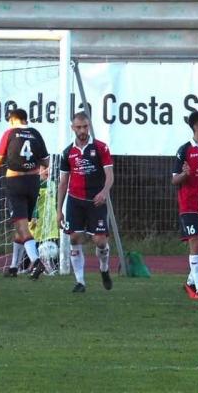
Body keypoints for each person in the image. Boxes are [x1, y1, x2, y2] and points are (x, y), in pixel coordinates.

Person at [57, 112, 114, 293]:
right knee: (74, 237)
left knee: (99, 241)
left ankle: (104, 268)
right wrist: (59, 210)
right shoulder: (67, 152)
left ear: (89, 126)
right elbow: (63, 182)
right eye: (79, 127)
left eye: (85, 127)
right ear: (73, 128)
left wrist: (104, 192)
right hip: (75, 201)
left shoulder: (100, 148)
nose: (82, 130)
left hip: (96, 201)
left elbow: (110, 174)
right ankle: (80, 282)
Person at [0, 108, 49, 279]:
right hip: (33, 183)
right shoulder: (36, 134)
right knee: (20, 226)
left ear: (13, 119)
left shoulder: (9, 133)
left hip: (15, 183)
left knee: (22, 226)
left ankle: (36, 261)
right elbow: (46, 160)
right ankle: (14, 267)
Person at [172, 111, 198, 300]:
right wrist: (185, 175)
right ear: (197, 126)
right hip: (189, 205)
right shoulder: (184, 150)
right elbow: (174, 179)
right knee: (195, 242)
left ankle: (190, 281)